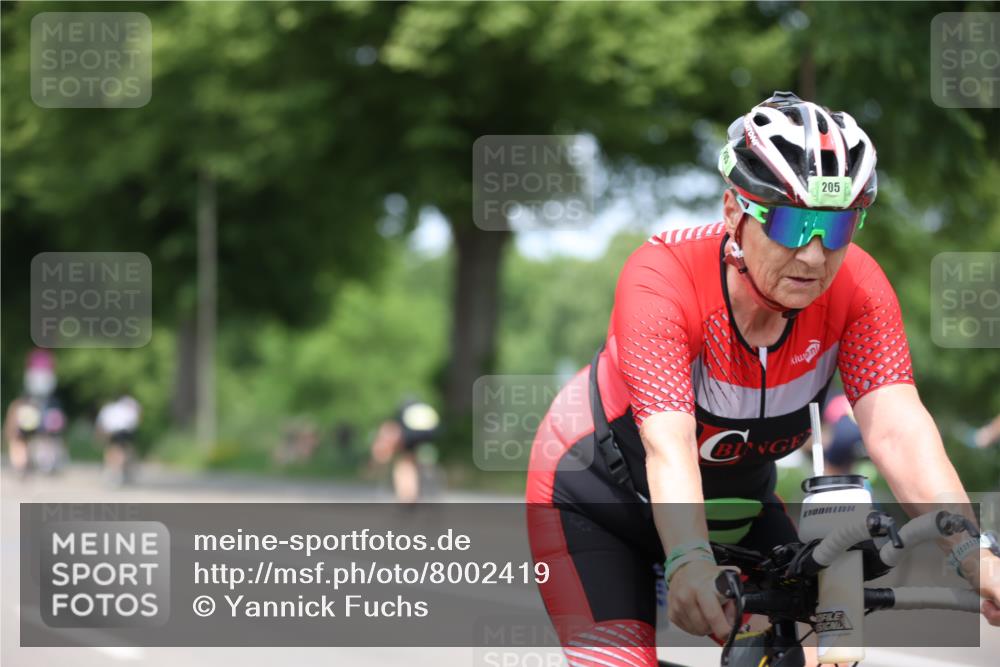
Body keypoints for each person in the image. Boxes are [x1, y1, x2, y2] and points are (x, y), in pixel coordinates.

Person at [525, 92, 1000, 667]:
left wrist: (972, 551)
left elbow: (899, 430)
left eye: (838, 225)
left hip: (739, 508)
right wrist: (687, 561)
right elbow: (668, 443)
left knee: (799, 653)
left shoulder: (859, 287)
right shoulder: (662, 278)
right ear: (733, 211)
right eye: (795, 223)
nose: (816, 254)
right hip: (598, 498)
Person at [3, 349, 66, 476]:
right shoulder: (47, 365)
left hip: (32, 409)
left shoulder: (27, 395)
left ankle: (24, 463)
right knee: (44, 435)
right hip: (40, 409)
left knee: (22, 436)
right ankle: (43, 462)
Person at [369, 397, 440, 503]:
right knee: (414, 455)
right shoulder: (425, 410)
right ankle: (427, 469)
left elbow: (392, 434)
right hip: (432, 432)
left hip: (408, 435)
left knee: (404, 462)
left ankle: (407, 495)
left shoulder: (402, 414)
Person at [95, 394, 142, 485]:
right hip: (124, 432)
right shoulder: (128, 408)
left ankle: (111, 467)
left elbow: (102, 422)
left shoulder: (108, 408)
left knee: (111, 449)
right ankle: (118, 469)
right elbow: (133, 422)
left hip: (111, 431)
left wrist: (99, 435)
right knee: (123, 450)